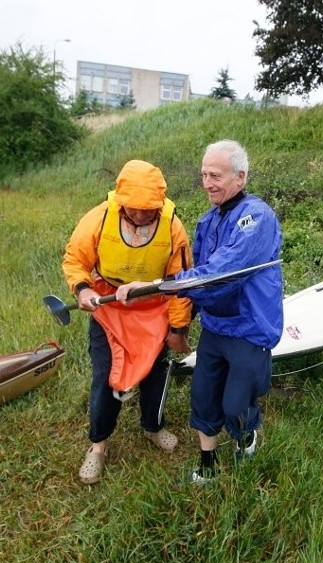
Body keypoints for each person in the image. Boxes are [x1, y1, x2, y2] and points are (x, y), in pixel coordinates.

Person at [62, 159, 193, 485]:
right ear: (121, 200)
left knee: (155, 372)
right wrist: (82, 288)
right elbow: (75, 259)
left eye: (148, 209)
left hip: (153, 310)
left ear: (160, 203)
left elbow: (180, 281)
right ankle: (98, 444)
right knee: (105, 375)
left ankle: (153, 426)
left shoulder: (173, 226)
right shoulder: (98, 218)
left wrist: (178, 329)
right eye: (133, 208)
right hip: (110, 307)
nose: (140, 214)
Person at [177, 139, 284, 483]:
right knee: (203, 399)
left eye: (216, 175)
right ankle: (206, 465)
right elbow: (199, 271)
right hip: (215, 327)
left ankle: (247, 433)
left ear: (240, 176)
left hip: (249, 327)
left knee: (235, 407)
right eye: (204, 174)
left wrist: (166, 284)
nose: (207, 182)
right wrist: (181, 323)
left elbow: (222, 272)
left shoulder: (256, 217)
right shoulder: (208, 220)